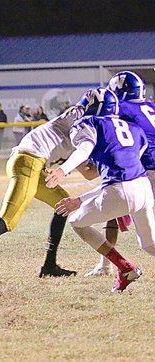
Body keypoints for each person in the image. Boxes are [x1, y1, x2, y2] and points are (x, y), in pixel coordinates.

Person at [0, 88, 110, 284]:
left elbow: (88, 173)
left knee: (63, 205)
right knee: (8, 219)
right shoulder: (82, 120)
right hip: (29, 161)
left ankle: (49, 265)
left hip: (32, 163)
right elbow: (86, 154)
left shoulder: (80, 120)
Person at [46, 90, 152, 292]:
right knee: (149, 245)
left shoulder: (90, 123)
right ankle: (123, 269)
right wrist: (81, 199)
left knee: (77, 222)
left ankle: (124, 267)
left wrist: (63, 170)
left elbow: (85, 148)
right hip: (143, 188)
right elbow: (128, 168)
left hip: (120, 191)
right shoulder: (133, 128)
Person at [86, 71, 155, 276]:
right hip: (144, 170)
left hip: (145, 172)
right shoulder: (151, 107)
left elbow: (109, 132)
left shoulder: (122, 108)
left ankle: (108, 265)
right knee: (114, 215)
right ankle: (105, 265)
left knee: (116, 210)